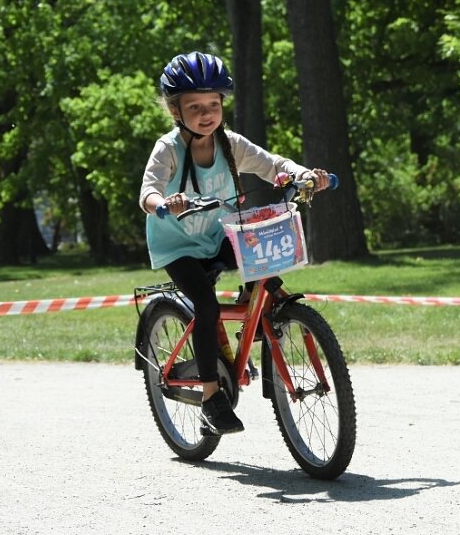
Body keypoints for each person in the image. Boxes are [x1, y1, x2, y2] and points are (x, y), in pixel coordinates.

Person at [139, 51, 331, 435]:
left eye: (213, 104)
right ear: (176, 111)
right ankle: (211, 396)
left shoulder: (230, 145)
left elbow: (273, 165)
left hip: (214, 234)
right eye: (195, 107)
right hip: (178, 247)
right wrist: (165, 205)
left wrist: (304, 174)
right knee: (206, 307)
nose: (206, 113)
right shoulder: (169, 149)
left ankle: (255, 320)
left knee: (263, 263)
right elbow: (148, 191)